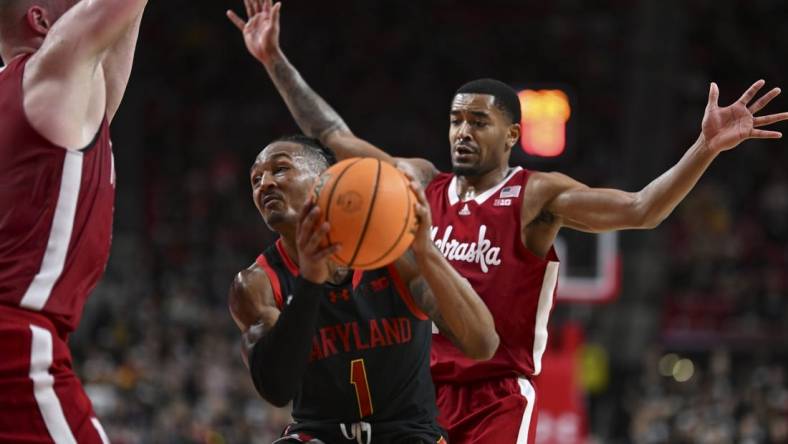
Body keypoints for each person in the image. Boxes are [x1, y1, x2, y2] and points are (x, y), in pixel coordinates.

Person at [228, 1, 788, 442]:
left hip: (494, 390)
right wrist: (275, 60)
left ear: (513, 135)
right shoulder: (420, 184)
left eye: (478, 121)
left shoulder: (536, 194)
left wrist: (704, 148)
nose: (463, 133)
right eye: (454, 121)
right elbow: (331, 137)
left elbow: (642, 210)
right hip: (419, 390)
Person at [228, 135, 499, 444]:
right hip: (319, 435)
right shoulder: (255, 284)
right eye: (255, 179)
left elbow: (483, 344)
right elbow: (277, 389)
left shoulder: (397, 255)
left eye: (280, 169)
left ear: (326, 180)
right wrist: (310, 282)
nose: (264, 184)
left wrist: (426, 252)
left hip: (408, 434)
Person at [0, 0, 148, 441]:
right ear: (41, 20)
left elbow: (122, 29)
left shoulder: (51, 100)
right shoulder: (51, 68)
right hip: (13, 342)